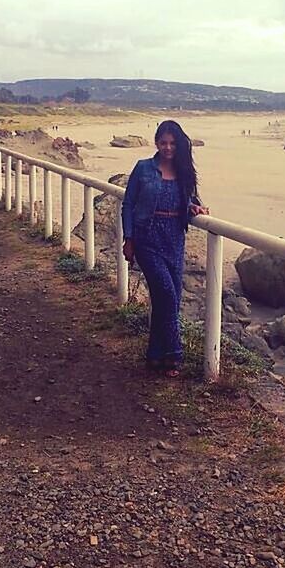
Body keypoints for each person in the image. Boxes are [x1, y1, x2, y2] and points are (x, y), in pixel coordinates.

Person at [121, 120, 209, 376]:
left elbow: (188, 199)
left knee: (167, 299)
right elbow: (128, 204)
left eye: (172, 143)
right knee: (167, 295)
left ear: (179, 144)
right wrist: (129, 239)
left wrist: (194, 206)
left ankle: (154, 356)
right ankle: (174, 354)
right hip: (147, 238)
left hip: (174, 239)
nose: (168, 147)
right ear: (156, 143)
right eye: (163, 142)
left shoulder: (184, 172)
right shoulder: (143, 169)